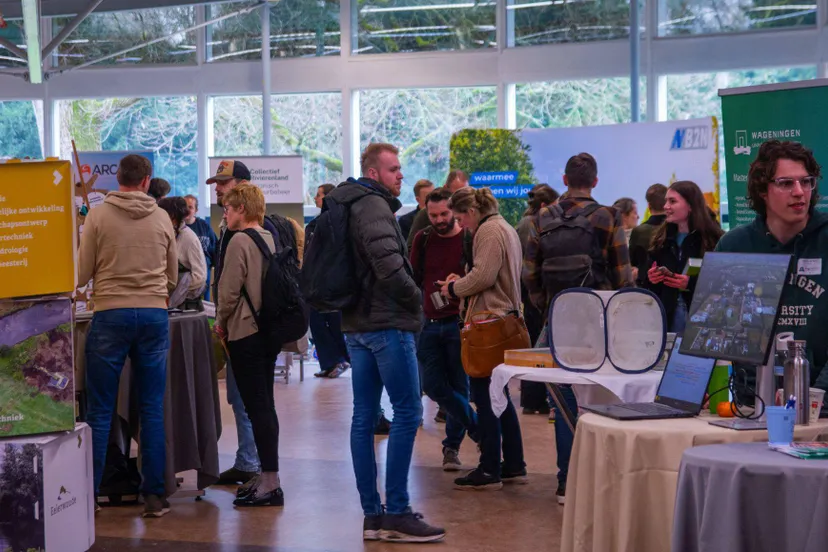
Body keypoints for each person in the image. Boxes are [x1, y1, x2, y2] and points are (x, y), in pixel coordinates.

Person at [326, 143, 444, 543]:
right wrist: (418, 299)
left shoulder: (345, 203)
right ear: (373, 173)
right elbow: (389, 267)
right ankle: (396, 511)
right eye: (394, 169)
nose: (401, 175)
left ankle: (373, 516)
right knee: (409, 411)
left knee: (363, 417)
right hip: (386, 325)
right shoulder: (374, 206)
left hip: (357, 325)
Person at [522, 152, 634, 505]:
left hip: (559, 318)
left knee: (564, 399)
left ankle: (566, 481)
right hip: (598, 322)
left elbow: (530, 274)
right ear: (595, 182)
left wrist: (551, 307)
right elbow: (621, 275)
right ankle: (601, 478)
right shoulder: (608, 216)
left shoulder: (543, 217)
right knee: (602, 395)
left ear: (565, 179)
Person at [78, 154, 178, 518]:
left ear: (116, 178)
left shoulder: (99, 215)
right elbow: (172, 273)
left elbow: (82, 271)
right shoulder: (163, 217)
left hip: (110, 313)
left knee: (100, 410)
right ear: (147, 181)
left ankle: (87, 496)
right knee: (151, 408)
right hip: (153, 315)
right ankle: (154, 497)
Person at [716, 140, 828, 400]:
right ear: (763, 191)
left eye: (806, 181)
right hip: (751, 402)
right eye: (786, 183)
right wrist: (753, 393)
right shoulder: (734, 246)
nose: (799, 192)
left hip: (820, 406)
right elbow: (720, 332)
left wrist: (815, 395)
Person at [438, 187, 527, 491]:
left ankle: (490, 468)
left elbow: (483, 277)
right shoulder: (505, 227)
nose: (461, 224)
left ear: (472, 212)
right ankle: (514, 464)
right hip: (505, 321)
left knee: (486, 397)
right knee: (499, 397)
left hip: (490, 323)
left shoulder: (488, 231)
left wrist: (453, 288)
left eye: (461, 217)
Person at [214, 183, 284, 507]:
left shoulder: (239, 240)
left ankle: (270, 481)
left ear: (241, 208)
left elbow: (228, 293)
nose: (224, 212)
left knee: (256, 409)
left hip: (244, 333)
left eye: (228, 207)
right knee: (264, 405)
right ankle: (268, 475)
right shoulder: (267, 237)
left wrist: (219, 323)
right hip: (266, 332)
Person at [409, 187, 477, 472]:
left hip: (459, 323)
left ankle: (451, 447)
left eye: (444, 214)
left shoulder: (469, 240)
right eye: (433, 215)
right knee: (433, 385)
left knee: (459, 385)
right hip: (429, 323)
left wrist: (460, 281)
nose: (438, 220)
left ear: (455, 211)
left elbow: (480, 276)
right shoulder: (422, 240)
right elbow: (413, 278)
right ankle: (481, 432)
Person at [644, 181, 724, 334]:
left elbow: (724, 280)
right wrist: (652, 278)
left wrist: (691, 283)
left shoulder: (714, 239)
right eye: (666, 201)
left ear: (691, 205)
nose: (666, 206)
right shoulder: (661, 239)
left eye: (672, 201)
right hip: (669, 319)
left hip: (705, 319)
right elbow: (648, 282)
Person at [516, 184, 559, 415]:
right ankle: (533, 398)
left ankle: (533, 397)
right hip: (533, 294)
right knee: (536, 346)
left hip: (529, 292)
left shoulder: (526, 223)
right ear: (544, 205)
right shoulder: (533, 225)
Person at [308, 183, 351, 379]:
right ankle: (330, 361)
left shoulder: (338, 223)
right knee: (316, 321)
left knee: (334, 323)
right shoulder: (314, 224)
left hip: (332, 281)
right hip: (316, 281)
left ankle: (341, 359)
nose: (316, 198)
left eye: (318, 195)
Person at [158, 197, 207, 310]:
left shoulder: (188, 238)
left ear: (173, 216)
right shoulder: (171, 233)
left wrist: (178, 288)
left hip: (184, 303)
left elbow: (200, 276)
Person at [406, 170, 468, 250]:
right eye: (456, 194)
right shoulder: (424, 214)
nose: (460, 200)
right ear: (446, 189)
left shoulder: (471, 212)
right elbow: (411, 248)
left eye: (464, 194)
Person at [629, 184, 668, 287]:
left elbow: (632, 262)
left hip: (646, 287)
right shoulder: (676, 227)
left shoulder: (639, 231)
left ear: (649, 206)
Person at [183, 194, 218, 301]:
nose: (187, 210)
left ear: (196, 210)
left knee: (204, 303)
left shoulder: (204, 226)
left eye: (190, 207)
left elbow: (215, 247)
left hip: (204, 269)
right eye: (184, 207)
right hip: (185, 271)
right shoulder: (177, 228)